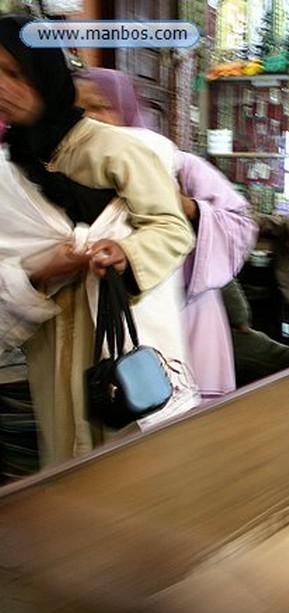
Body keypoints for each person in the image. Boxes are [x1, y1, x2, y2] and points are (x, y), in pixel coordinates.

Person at [0, 15, 196, 466]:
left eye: (14, 73)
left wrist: (126, 251)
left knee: (136, 468)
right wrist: (41, 270)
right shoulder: (8, 173)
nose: (4, 88)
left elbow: (171, 227)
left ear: (43, 71)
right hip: (52, 354)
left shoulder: (119, 151)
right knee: (69, 469)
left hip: (123, 347)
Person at [75, 67, 259, 401]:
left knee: (188, 418)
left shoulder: (178, 165)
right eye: (81, 109)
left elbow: (242, 225)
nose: (91, 119)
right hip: (112, 318)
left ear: (126, 109)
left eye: (101, 106)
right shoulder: (69, 173)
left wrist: (185, 206)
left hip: (187, 311)